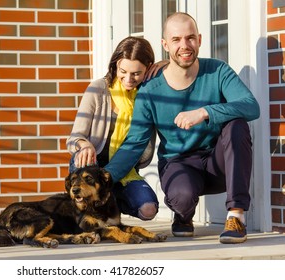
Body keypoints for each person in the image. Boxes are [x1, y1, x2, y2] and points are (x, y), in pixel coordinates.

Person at [104, 12, 260, 244]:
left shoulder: (217, 71)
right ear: (165, 45)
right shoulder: (150, 90)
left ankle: (236, 215)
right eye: (176, 40)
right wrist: (104, 177)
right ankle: (183, 215)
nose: (184, 46)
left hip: (218, 163)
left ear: (199, 39)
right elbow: (135, 142)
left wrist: (205, 112)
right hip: (179, 164)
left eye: (190, 38)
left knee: (236, 124)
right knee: (183, 196)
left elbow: (251, 107)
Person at [66, 36, 164, 221]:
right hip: (91, 167)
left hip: (125, 171)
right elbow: (74, 137)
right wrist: (84, 144)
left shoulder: (148, 94)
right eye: (123, 71)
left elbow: (179, 70)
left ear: (148, 68)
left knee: (148, 209)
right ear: (115, 65)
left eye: (136, 73)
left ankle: (112, 199)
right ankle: (89, 210)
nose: (128, 79)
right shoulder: (98, 89)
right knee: (83, 162)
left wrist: (165, 64)